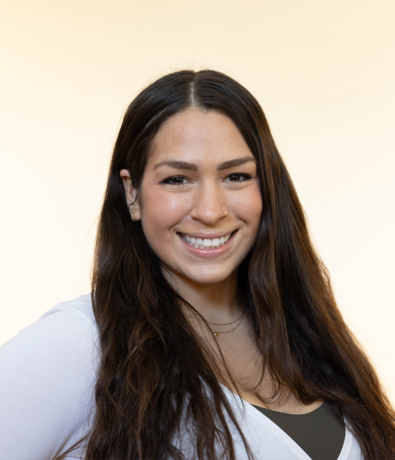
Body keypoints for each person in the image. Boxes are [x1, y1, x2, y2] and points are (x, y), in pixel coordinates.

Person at [0, 70, 394, 460]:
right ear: (132, 193)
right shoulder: (82, 341)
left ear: (267, 188)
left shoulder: (309, 338)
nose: (210, 211)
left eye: (236, 176)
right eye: (177, 180)